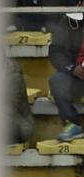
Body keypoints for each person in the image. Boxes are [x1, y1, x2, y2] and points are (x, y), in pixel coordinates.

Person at [48, 1, 84, 142]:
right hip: (77, 77)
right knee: (57, 81)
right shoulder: (67, 21)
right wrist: (72, 68)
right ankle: (72, 124)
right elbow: (55, 51)